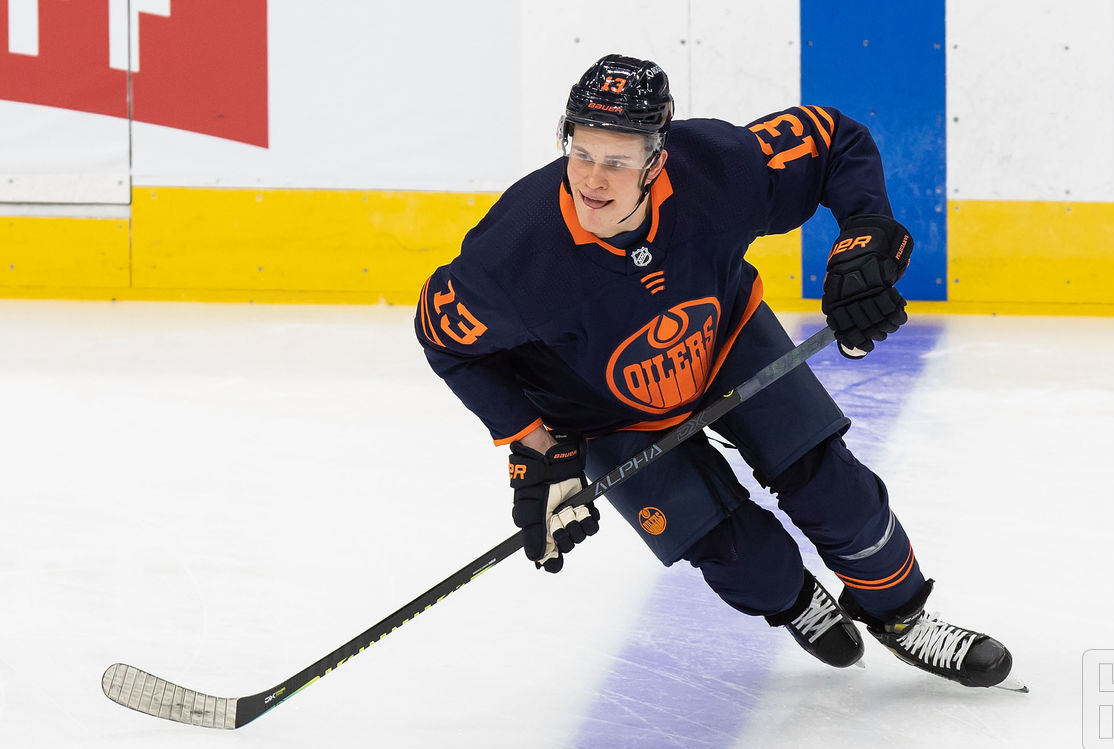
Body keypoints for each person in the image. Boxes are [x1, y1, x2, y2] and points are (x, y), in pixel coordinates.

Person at [416, 54, 1015, 689]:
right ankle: (794, 602)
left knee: (835, 495)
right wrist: (534, 442)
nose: (593, 179)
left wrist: (865, 231)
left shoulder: (718, 170)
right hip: (600, 406)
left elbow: (833, 138)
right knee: (742, 559)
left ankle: (901, 616)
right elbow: (444, 339)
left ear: (656, 157)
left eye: (617, 161)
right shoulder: (513, 252)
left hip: (728, 343)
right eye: (582, 152)